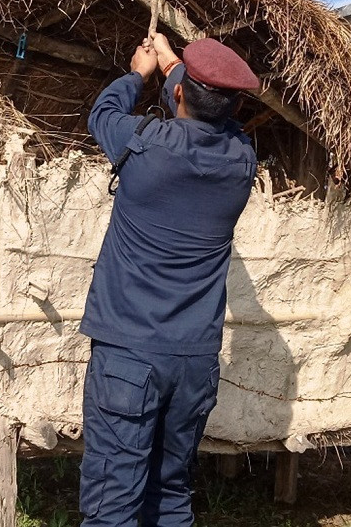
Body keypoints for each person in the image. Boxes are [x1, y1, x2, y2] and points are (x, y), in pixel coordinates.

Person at [79, 32, 259, 527]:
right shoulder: (241, 161)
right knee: (172, 494)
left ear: (179, 94)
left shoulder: (143, 145)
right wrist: (174, 65)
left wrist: (139, 72)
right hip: (194, 363)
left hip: (128, 357)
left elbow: (103, 114)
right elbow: (213, 113)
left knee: (113, 503)